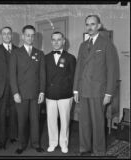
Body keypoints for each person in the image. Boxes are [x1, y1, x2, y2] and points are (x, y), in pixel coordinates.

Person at [73, 15, 117, 156]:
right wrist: (75, 89)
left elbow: (112, 70)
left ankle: (99, 151)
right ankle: (84, 148)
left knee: (98, 123)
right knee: (84, 122)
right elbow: (78, 67)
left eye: (93, 24)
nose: (90, 27)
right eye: (87, 24)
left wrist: (109, 93)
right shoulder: (82, 45)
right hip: (83, 89)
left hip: (98, 91)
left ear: (98, 25)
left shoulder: (106, 44)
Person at [10, 25, 45, 154]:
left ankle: (36, 144)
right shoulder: (16, 53)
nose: (30, 38)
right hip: (21, 94)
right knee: (22, 121)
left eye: (32, 35)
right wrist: (15, 92)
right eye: (27, 35)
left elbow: (42, 74)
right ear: (23, 36)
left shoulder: (39, 53)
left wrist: (42, 91)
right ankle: (21, 145)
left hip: (35, 93)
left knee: (35, 120)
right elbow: (12, 75)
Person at [45, 31, 76, 153]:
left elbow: (73, 77)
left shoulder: (70, 58)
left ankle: (64, 143)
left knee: (65, 120)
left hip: (65, 95)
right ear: (51, 41)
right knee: (51, 120)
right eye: (54, 39)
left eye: (59, 39)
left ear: (63, 41)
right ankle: (52, 142)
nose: (56, 42)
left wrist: (74, 93)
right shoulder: (45, 57)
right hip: (50, 94)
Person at [0, 26, 18, 150]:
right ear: (1, 35)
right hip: (1, 89)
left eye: (9, 33)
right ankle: (1, 140)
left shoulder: (18, 50)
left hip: (15, 90)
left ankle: (12, 136)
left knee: (14, 114)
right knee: (1, 116)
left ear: (12, 35)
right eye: (4, 34)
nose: (7, 36)